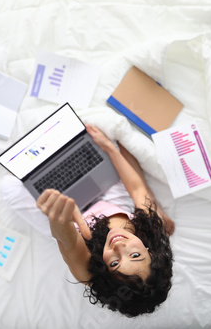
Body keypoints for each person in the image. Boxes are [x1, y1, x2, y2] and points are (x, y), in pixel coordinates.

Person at [36, 124, 174, 317]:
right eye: (135, 255)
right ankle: (156, 210)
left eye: (115, 263)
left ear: (106, 274)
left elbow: (66, 240)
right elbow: (136, 189)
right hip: (114, 202)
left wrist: (60, 216)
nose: (118, 246)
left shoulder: (88, 272)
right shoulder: (150, 233)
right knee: (149, 207)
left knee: (9, 190)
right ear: (150, 251)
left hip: (76, 218)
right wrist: (108, 147)